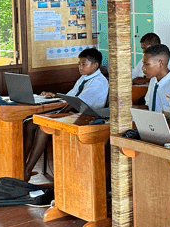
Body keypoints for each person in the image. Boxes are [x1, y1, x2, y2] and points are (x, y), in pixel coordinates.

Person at [24, 48, 109, 180]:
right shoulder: (84, 78)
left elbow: (76, 103)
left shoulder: (98, 82)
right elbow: (71, 97)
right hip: (74, 113)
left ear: (95, 65)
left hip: (87, 117)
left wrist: (55, 116)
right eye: (79, 64)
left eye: (83, 64)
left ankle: (27, 171)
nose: (79, 67)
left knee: (43, 128)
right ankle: (22, 165)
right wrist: (54, 95)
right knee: (29, 123)